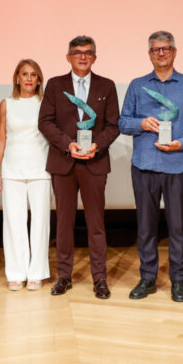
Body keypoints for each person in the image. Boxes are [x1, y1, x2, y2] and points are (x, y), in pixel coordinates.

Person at [118, 31, 183, 302]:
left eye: (166, 48)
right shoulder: (136, 84)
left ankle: (178, 280)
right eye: (156, 49)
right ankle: (148, 279)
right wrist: (140, 123)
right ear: (149, 54)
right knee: (145, 227)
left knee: (178, 227)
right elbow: (122, 122)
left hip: (178, 164)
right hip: (144, 164)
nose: (161, 53)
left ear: (175, 52)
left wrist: (182, 143)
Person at [39, 35, 120, 298]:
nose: (82, 56)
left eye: (88, 53)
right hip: (64, 163)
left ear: (94, 57)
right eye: (77, 52)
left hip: (94, 163)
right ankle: (64, 275)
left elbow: (113, 125)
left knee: (96, 224)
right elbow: (45, 122)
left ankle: (99, 278)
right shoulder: (54, 85)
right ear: (68, 57)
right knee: (64, 223)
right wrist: (67, 144)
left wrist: (96, 144)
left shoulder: (106, 86)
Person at [0, 59, 52, 290]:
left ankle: (36, 273)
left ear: (39, 80)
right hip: (11, 170)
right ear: (17, 77)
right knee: (13, 222)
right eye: (24, 74)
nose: (28, 78)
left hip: (41, 169)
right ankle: (16, 273)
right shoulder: (6, 104)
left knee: (40, 223)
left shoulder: (46, 103)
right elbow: (1, 138)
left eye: (33, 74)